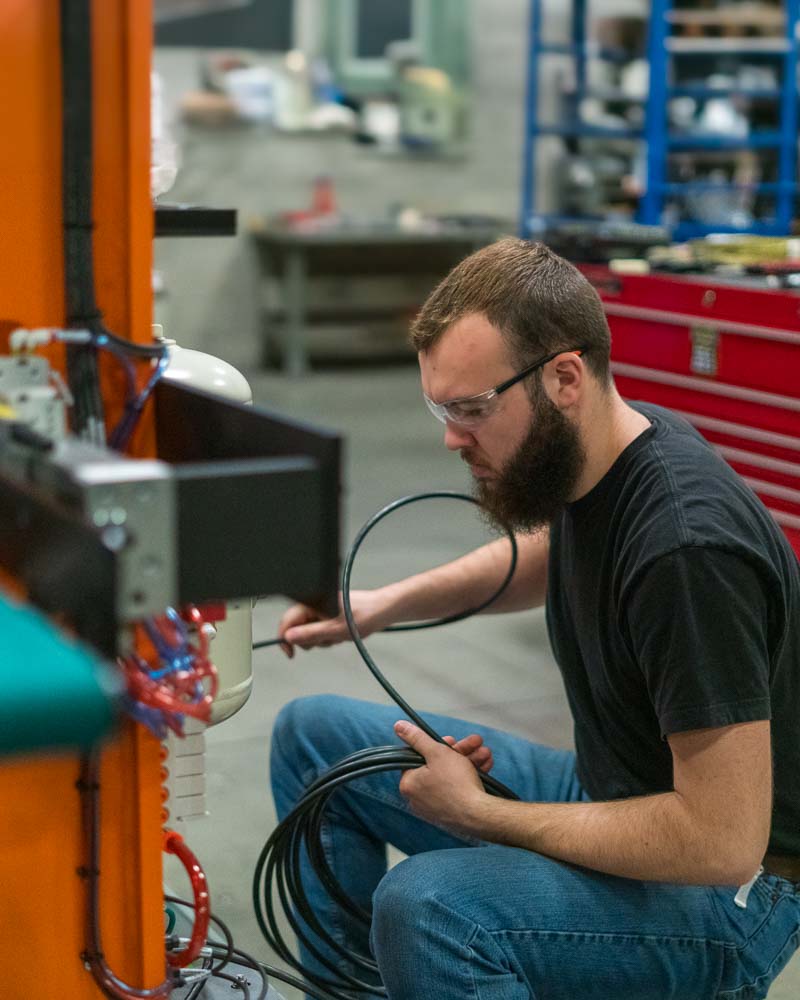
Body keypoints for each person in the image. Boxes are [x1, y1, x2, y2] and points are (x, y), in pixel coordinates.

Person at [270, 238, 800, 1000]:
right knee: (312, 737)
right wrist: (382, 605)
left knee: (431, 908)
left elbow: (721, 841)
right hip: (611, 789)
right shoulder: (610, 450)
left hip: (733, 894)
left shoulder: (688, 552)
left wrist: (484, 816)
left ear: (563, 377)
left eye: (472, 410)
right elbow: (552, 551)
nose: (452, 438)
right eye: (441, 409)